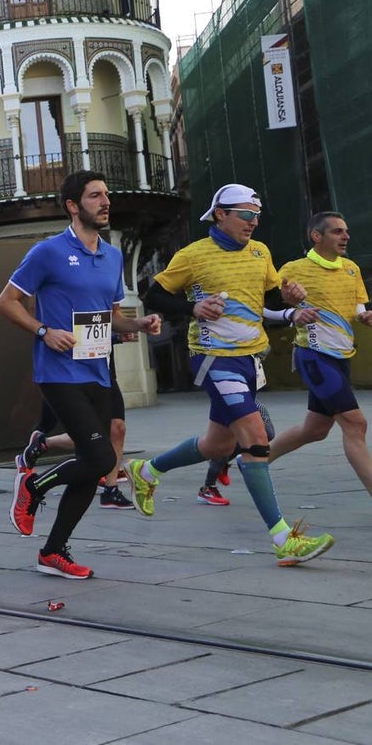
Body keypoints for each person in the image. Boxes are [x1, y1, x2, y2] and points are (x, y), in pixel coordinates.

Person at [130, 183, 336, 566]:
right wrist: (193, 308)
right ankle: (282, 539)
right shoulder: (193, 255)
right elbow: (153, 296)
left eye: (257, 216)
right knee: (256, 440)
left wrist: (287, 301)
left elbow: (269, 300)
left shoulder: (260, 253)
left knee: (217, 445)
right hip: (213, 358)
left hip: (249, 358)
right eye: (245, 215)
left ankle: (147, 470)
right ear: (220, 215)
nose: (253, 222)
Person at [0, 170, 160, 579]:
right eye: (94, 196)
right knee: (103, 458)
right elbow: (6, 302)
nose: (105, 202)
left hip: (98, 369)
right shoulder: (48, 252)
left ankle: (53, 551)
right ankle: (33, 487)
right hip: (58, 372)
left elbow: (113, 316)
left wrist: (138, 326)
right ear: (73, 205)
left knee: (92, 462)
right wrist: (43, 331)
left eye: (107, 195)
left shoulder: (112, 255)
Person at [267, 211, 372, 494]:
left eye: (346, 231)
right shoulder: (293, 269)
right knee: (355, 424)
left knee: (315, 429)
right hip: (314, 356)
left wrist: (364, 316)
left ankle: (253, 459)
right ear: (317, 236)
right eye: (338, 231)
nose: (346, 236)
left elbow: (358, 307)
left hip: (342, 357)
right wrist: (290, 309)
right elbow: (266, 307)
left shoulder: (351, 268)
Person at [21, 347, 136, 510]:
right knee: (95, 444)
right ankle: (35, 483)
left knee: (117, 429)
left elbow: (112, 322)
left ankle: (110, 490)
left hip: (102, 364)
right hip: (72, 369)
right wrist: (43, 331)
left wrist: (125, 329)